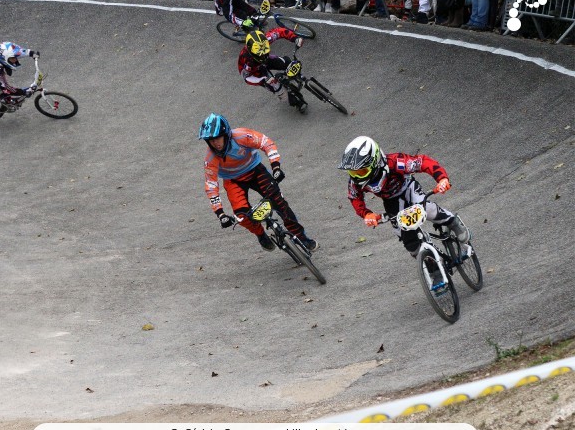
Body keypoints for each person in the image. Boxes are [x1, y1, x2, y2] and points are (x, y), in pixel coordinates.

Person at [337, 136, 469, 263]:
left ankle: (453, 222)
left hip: (408, 188)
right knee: (409, 242)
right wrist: (366, 214)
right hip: (391, 201)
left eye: (361, 171)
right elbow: (355, 198)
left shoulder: (396, 162)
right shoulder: (355, 182)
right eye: (353, 172)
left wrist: (442, 179)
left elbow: (423, 162)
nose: (356, 176)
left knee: (427, 210)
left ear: (375, 162)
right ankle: (433, 270)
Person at [199, 113, 318, 252]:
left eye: (217, 138)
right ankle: (260, 235)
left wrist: (276, 167)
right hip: (233, 182)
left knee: (279, 203)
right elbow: (211, 185)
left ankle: (302, 238)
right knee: (242, 217)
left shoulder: (242, 136)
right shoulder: (210, 158)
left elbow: (266, 143)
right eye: (210, 140)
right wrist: (220, 214)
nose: (215, 143)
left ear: (226, 134)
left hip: (256, 171)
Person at [239, 29, 307, 113]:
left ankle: (297, 77)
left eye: (265, 52)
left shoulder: (266, 40)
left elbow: (280, 32)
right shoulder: (246, 60)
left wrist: (295, 38)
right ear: (251, 51)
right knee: (277, 87)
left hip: (268, 60)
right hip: (256, 71)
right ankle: (297, 103)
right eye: (261, 54)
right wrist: (263, 80)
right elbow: (247, 78)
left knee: (287, 62)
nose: (263, 55)